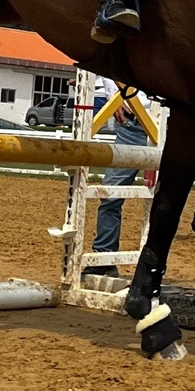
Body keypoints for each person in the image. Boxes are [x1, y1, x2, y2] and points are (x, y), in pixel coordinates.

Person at [83, 81, 151, 279]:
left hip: (168, 124)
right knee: (110, 194)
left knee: (166, 200)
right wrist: (114, 97)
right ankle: (104, 258)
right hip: (131, 126)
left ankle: (154, 264)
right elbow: (107, 71)